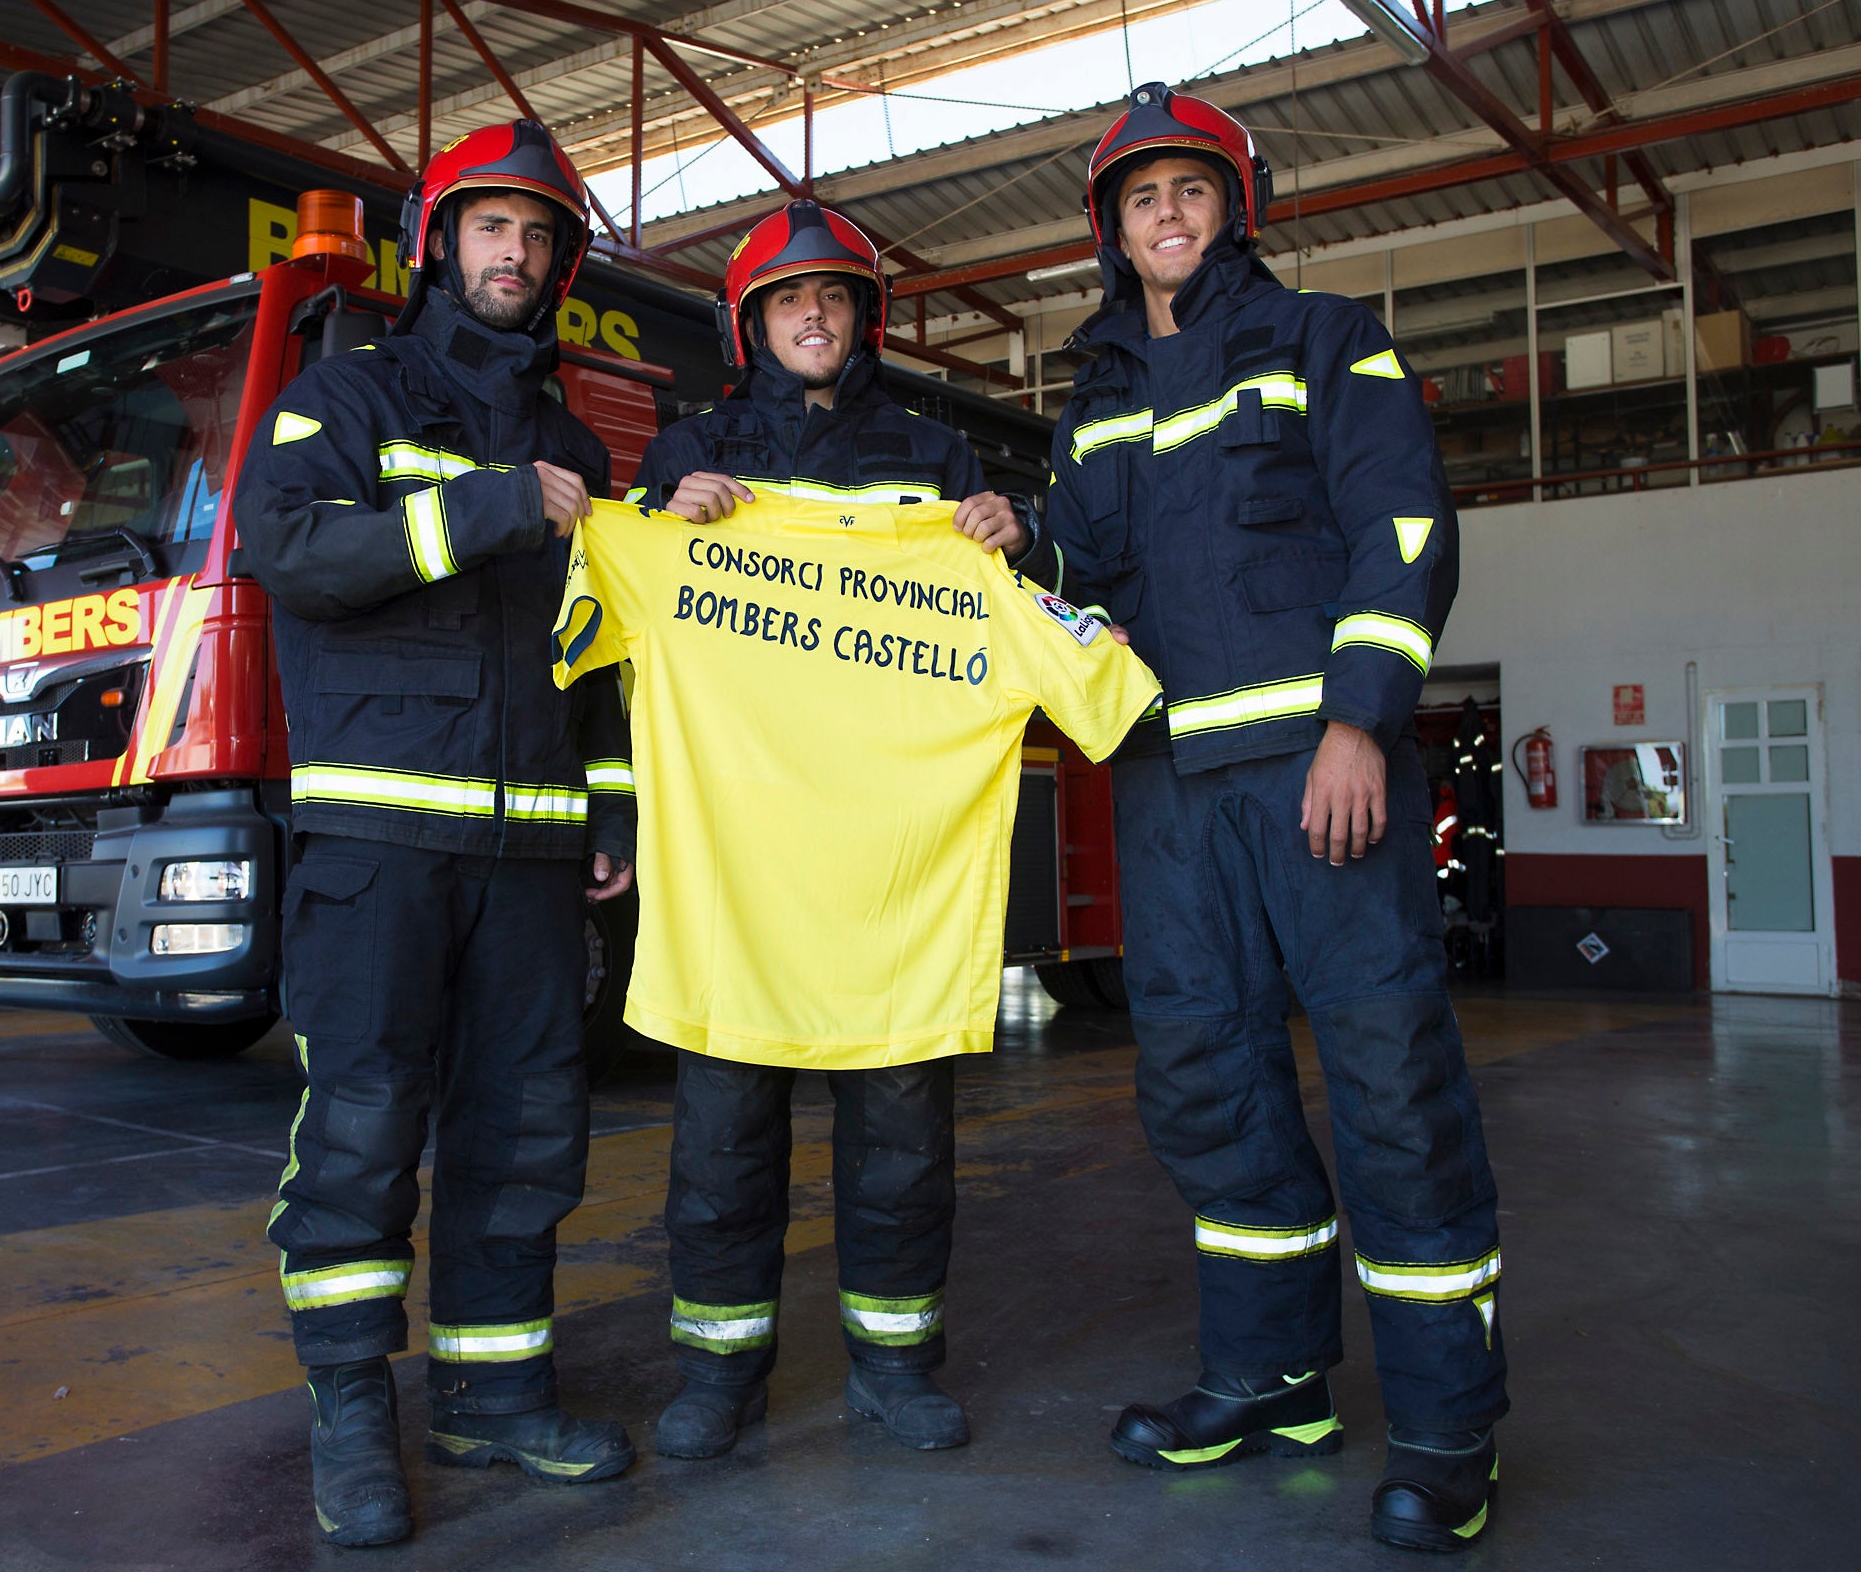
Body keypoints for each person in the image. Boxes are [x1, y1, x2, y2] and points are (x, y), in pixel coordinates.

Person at [1042, 84, 1507, 1552]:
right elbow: (1079, 598)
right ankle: (1271, 1373)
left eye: (1187, 191)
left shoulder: (1324, 341)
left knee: (1389, 1087)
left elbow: (1404, 526)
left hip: (1323, 782)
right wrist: (1006, 542)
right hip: (1172, 801)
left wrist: (1359, 718)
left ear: (1229, 207)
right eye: (1138, 199)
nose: (1164, 217)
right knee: (1204, 1087)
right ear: (1112, 232)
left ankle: (1444, 1429)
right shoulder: (1092, 408)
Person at [236, 120, 637, 1548]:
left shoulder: (580, 446)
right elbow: (287, 551)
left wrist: (615, 798)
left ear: (560, 258)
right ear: (441, 244)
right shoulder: (345, 394)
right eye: (489, 228)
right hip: (379, 846)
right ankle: (352, 1413)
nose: (512, 253)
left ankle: (493, 1395)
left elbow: (601, 647)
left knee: (524, 1132)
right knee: (358, 1128)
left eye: (536, 233)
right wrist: (482, 505)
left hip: (533, 859)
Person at [623, 198, 1052, 1461]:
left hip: (889, 874)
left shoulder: (938, 457)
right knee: (719, 1147)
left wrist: (1011, 542)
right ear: (749, 325)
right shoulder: (685, 455)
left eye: (836, 298)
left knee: (903, 1143)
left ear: (865, 319)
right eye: (786, 300)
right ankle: (718, 1377)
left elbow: (1010, 612)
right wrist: (662, 520)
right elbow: (625, 638)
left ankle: (894, 1363)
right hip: (737, 877)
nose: (814, 315)